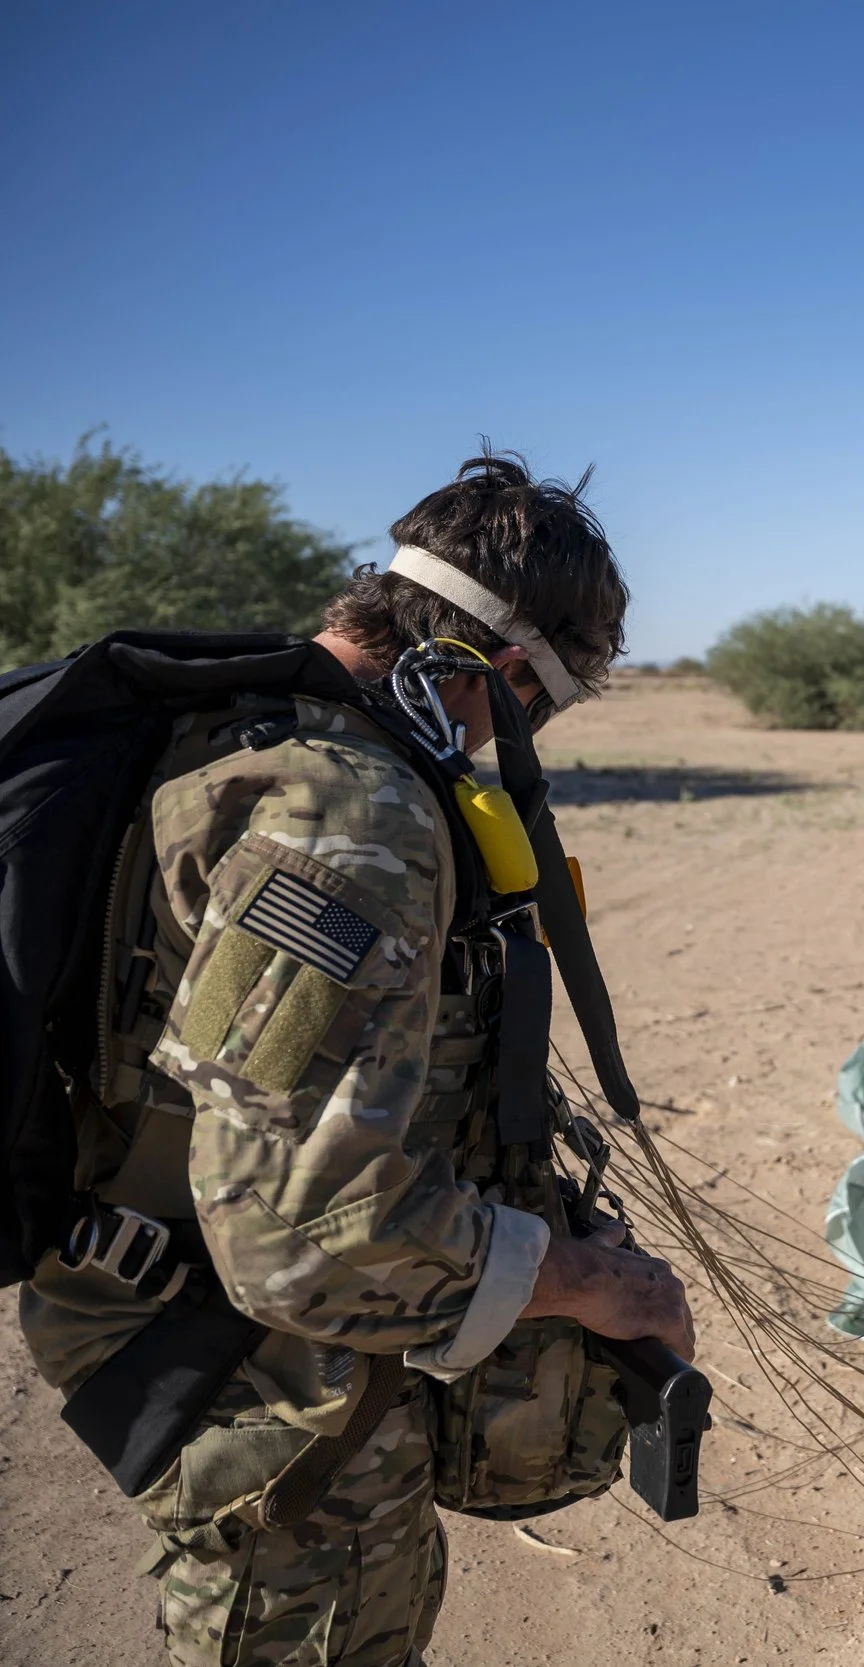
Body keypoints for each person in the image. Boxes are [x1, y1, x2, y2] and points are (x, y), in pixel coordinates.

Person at [15, 453, 696, 1666]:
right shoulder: (346, 816)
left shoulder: (235, 734)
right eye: (549, 696)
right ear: (496, 665)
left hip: (197, 1312)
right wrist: (590, 1284)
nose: (521, 734)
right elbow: (302, 1231)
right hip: (248, 1370)